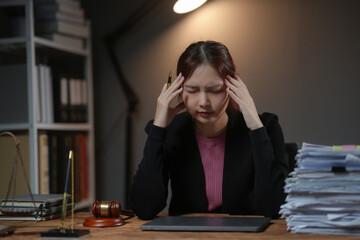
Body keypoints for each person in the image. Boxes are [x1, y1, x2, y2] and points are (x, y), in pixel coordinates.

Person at [130, 40, 288, 220]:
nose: (203, 102)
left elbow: (276, 208)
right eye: (192, 90)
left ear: (232, 88)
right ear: (179, 90)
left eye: (214, 90)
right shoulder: (172, 131)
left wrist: (255, 126)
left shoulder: (265, 127)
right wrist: (158, 128)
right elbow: (144, 208)